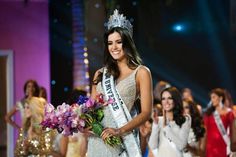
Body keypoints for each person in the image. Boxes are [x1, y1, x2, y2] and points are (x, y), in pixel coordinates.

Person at [87, 9, 153, 157]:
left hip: (123, 139)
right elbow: (91, 109)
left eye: (118, 42)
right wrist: (83, 121)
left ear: (127, 43)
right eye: (110, 43)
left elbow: (146, 112)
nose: (114, 47)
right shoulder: (100, 74)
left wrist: (119, 131)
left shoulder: (141, 72)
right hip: (98, 141)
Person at [148, 87, 191, 157]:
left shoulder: (185, 119)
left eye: (169, 98)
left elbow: (182, 145)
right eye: (163, 99)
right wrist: (155, 124)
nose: (166, 102)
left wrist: (165, 127)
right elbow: (153, 146)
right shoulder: (159, 120)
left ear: (175, 99)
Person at [204, 88, 235, 157]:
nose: (212, 100)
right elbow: (205, 132)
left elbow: (232, 132)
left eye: (214, 97)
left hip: (224, 146)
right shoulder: (208, 114)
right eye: (211, 98)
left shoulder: (229, 113)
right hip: (210, 148)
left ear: (221, 98)